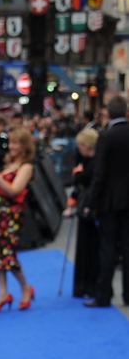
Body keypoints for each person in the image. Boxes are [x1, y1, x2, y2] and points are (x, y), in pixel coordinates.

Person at [0, 127, 35, 311]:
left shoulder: (26, 167)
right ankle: (3, 293)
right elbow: (2, 187)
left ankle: (26, 289)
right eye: (10, 142)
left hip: (12, 216)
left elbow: (14, 190)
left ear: (24, 146)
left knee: (8, 254)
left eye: (15, 143)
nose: (11, 146)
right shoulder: (9, 165)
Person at [86, 95, 129, 308]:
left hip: (109, 202)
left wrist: (90, 201)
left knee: (107, 249)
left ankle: (103, 296)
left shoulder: (106, 137)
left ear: (108, 113)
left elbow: (100, 174)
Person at [68, 128, 99, 300]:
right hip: (84, 206)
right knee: (84, 246)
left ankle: (91, 285)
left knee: (93, 247)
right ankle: (82, 285)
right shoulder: (85, 160)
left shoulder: (96, 162)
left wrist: (79, 175)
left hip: (92, 207)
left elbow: (84, 179)